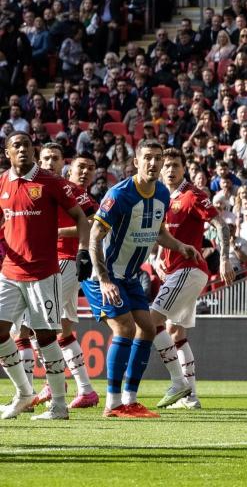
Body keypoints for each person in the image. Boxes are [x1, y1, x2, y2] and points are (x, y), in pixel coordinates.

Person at [82, 139, 201, 418]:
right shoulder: (120, 194)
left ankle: (130, 400)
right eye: (147, 157)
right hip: (104, 274)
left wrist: (180, 246)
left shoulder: (161, 192)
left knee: (147, 329)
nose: (153, 163)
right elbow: (94, 238)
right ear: (136, 161)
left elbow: (159, 232)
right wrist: (104, 280)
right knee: (123, 328)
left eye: (157, 158)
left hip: (131, 276)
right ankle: (112, 404)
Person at [0, 132, 91, 420]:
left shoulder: (51, 182)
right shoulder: (2, 182)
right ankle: (25, 393)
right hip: (10, 272)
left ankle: (59, 405)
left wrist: (84, 252)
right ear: (7, 153)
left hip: (43, 273)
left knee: (46, 336)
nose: (22, 149)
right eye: (17, 146)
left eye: (27, 145)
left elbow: (81, 217)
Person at [150, 148, 235, 410]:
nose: (170, 170)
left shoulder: (193, 196)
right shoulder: (160, 197)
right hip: (173, 272)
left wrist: (223, 259)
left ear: (184, 168)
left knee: (151, 322)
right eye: (167, 165)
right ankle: (191, 397)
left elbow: (221, 225)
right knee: (176, 333)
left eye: (176, 165)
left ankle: (179, 383)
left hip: (189, 269)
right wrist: (155, 261)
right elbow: (156, 236)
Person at [28, 145, 99, 411]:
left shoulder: (71, 192)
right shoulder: (45, 189)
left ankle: (51, 382)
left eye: (54, 159)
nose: (49, 163)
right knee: (64, 331)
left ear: (62, 164)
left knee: (37, 324)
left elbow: (93, 225)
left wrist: (54, 232)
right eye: (45, 159)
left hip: (63, 264)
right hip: (58, 264)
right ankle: (86, 390)